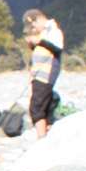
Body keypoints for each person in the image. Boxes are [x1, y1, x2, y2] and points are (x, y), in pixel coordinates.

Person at [23, 8, 63, 139]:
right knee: (44, 104)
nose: (33, 29)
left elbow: (57, 47)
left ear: (37, 20)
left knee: (36, 107)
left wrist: (39, 41)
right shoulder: (44, 32)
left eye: (33, 26)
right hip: (39, 75)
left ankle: (41, 137)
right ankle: (48, 133)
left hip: (46, 75)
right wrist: (32, 44)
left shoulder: (53, 30)